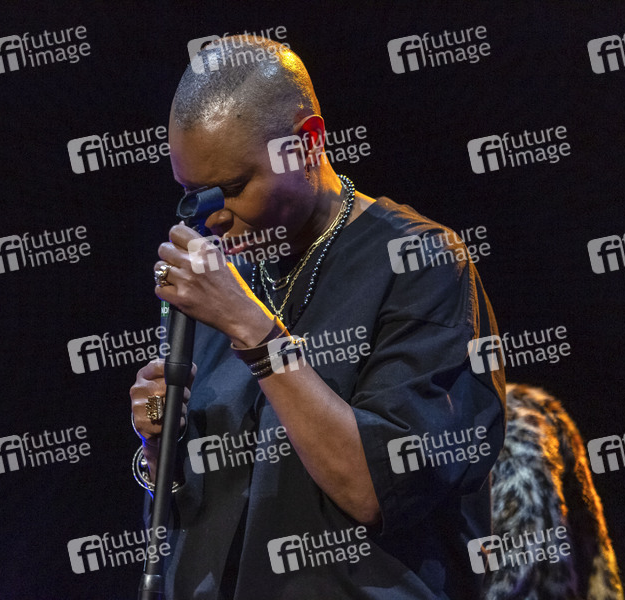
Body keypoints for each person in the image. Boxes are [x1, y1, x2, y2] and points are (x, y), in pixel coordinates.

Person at [129, 35, 506, 599]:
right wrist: (159, 447)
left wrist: (254, 333)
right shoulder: (217, 283)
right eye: (192, 193)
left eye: (232, 187)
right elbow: (191, 519)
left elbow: (376, 489)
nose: (212, 219)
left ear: (307, 143)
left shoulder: (418, 262)